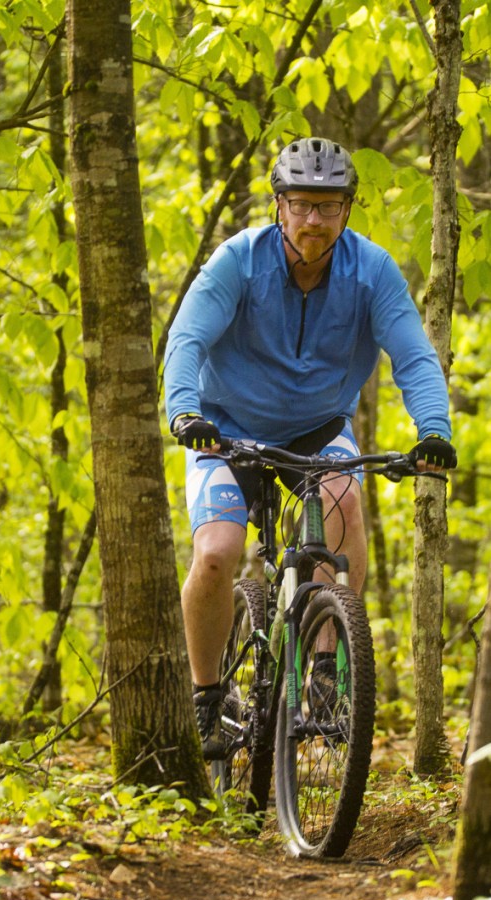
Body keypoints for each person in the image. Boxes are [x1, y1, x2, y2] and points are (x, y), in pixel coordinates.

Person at [164, 137, 457, 759]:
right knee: (217, 553)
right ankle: (207, 697)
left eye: (328, 207)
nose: (314, 221)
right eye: (301, 204)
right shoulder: (238, 261)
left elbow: (413, 356)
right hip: (223, 429)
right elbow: (187, 337)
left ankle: (326, 672)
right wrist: (184, 410)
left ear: (347, 210)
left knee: (344, 499)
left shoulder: (371, 270)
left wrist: (434, 429)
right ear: (279, 206)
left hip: (318, 429)